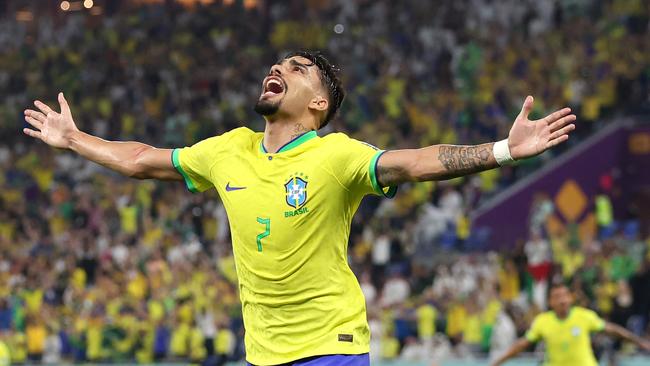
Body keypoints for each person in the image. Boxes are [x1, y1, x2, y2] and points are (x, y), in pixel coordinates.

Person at [23, 50, 576, 366]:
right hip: (263, 353)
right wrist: (74, 139)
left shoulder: (337, 156)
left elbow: (416, 162)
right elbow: (142, 158)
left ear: (317, 103)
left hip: (329, 345)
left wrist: (504, 150)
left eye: (296, 67)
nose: (279, 68)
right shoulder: (228, 149)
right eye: (278, 63)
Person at [491, 284, 650, 366]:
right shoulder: (543, 321)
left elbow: (613, 330)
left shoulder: (584, 316)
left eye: (565, 295)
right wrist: (497, 362)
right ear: (550, 302)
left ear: (571, 298)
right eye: (557, 297)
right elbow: (522, 345)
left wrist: (639, 342)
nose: (562, 300)